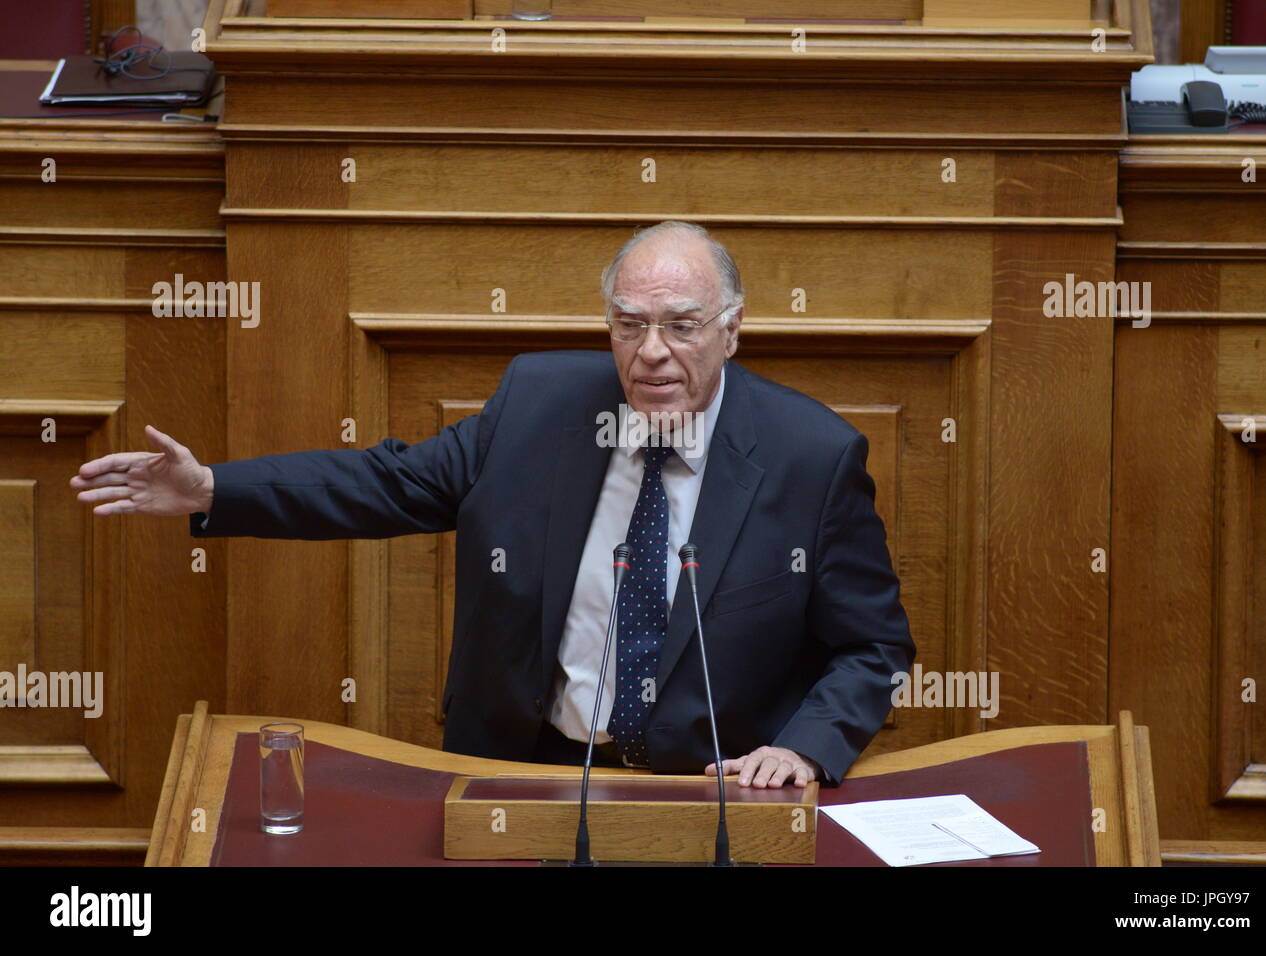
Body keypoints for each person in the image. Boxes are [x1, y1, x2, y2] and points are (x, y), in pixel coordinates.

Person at [71, 221, 914, 788]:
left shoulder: (812, 456)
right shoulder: (540, 406)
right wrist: (213, 487)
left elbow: (872, 645)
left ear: (732, 329)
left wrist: (803, 750)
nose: (652, 353)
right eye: (628, 325)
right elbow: (388, 482)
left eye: (682, 327)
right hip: (524, 781)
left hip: (709, 798)